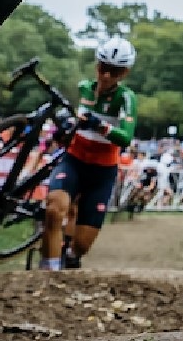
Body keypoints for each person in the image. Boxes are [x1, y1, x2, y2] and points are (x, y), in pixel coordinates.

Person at [41, 40, 139, 271]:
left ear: (124, 72)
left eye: (114, 72)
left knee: (82, 244)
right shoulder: (84, 87)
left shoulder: (126, 98)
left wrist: (99, 125)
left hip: (102, 171)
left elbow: (125, 138)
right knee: (54, 209)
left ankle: (72, 256)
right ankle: (47, 273)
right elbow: (75, 121)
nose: (106, 75)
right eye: (102, 67)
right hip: (74, 160)